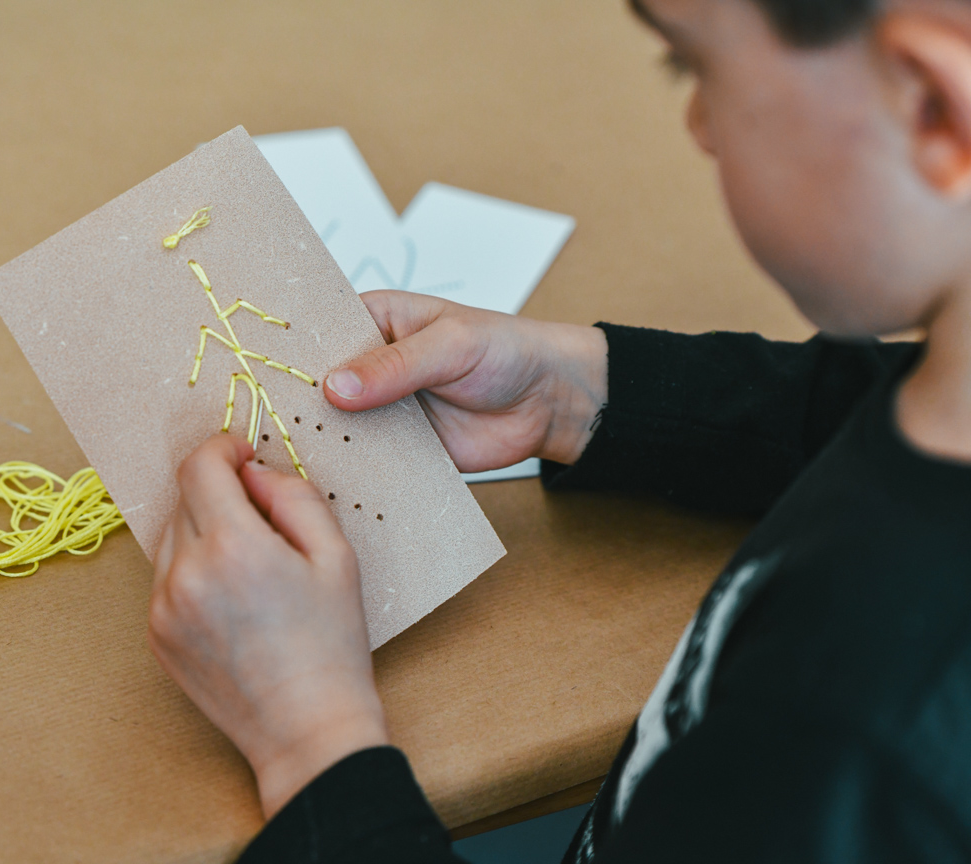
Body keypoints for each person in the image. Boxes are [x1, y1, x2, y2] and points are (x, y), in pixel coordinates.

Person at [146, 0, 971, 860]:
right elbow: (868, 400)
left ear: (933, 109)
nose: (700, 128)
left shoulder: (847, 744)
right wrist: (586, 395)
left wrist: (309, 739)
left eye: (693, 68)